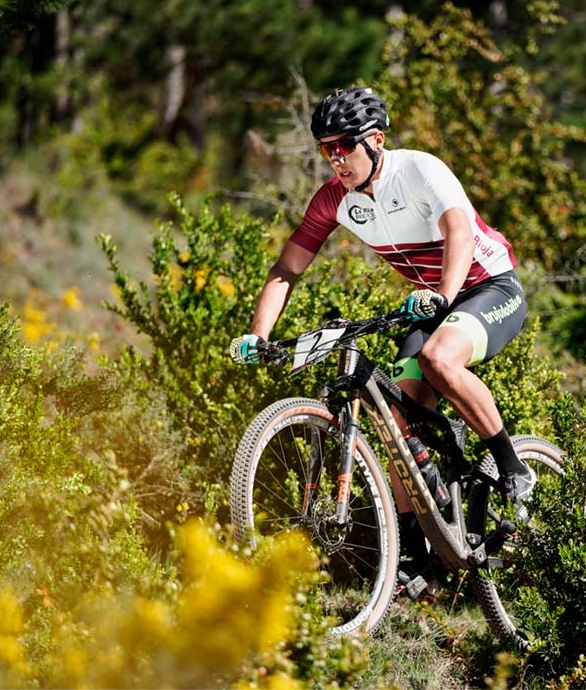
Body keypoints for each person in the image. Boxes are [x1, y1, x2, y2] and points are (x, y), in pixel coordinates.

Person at [229, 86, 535, 588]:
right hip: (431, 301)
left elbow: (458, 230)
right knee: (397, 420)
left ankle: (513, 467)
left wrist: (441, 295)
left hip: (486, 287)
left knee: (438, 359)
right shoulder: (334, 199)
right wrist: (258, 333)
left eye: (343, 147)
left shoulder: (419, 169)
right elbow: (287, 267)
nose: (334, 160)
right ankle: (416, 551)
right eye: (325, 149)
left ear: (375, 140)